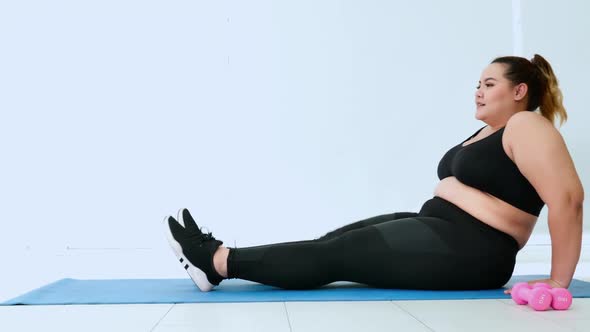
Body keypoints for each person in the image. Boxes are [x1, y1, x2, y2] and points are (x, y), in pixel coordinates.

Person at [164, 54, 584, 293]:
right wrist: (451, 190)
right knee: (331, 243)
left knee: (335, 256)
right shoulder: (490, 132)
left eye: (489, 84)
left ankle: (215, 260)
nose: (478, 90)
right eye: (477, 82)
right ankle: (215, 260)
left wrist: (559, 281)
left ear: (519, 91)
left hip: (473, 252)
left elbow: (567, 199)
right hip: (442, 231)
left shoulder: (527, 125)